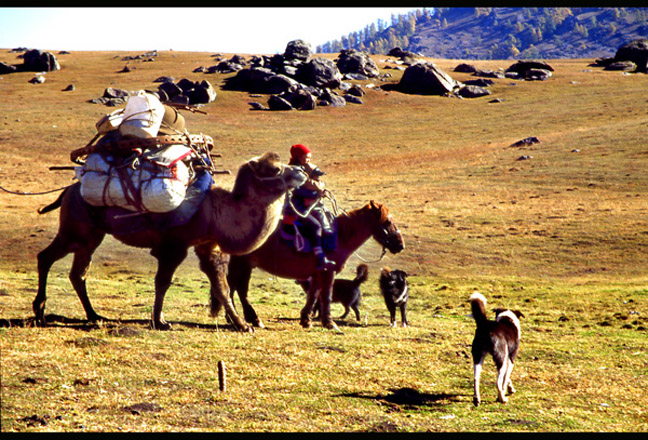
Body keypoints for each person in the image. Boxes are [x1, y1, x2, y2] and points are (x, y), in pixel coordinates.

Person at [284, 143, 335, 270]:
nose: (308, 160)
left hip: (308, 206)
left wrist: (318, 192)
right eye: (306, 158)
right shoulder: (293, 171)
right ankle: (320, 260)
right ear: (298, 157)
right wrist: (316, 192)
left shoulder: (304, 169)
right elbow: (297, 191)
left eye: (309, 158)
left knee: (330, 219)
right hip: (297, 207)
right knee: (316, 226)